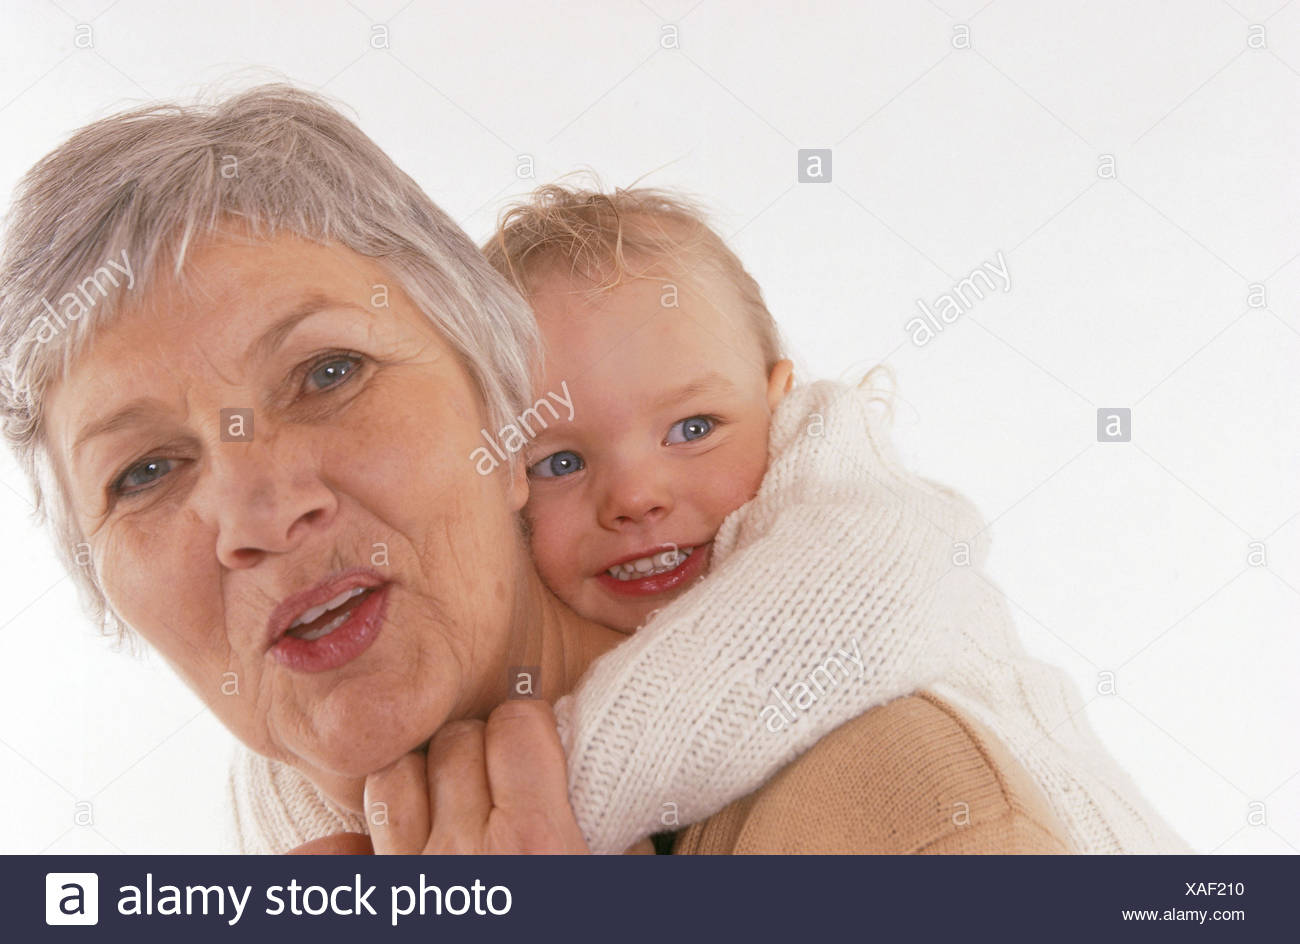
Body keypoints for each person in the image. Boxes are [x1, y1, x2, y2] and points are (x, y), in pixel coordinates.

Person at [0, 83, 1129, 856]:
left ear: (501, 404)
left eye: (328, 369)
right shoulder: (308, 838)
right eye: (144, 470)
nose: (256, 509)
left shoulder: (901, 814)